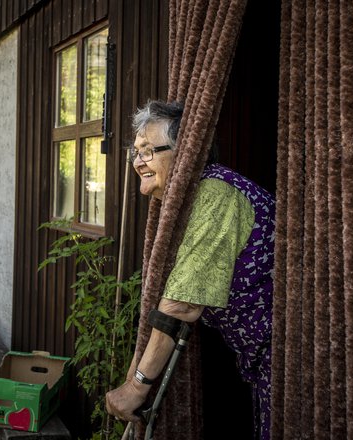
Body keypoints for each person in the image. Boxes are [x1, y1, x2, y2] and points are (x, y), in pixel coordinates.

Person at [105, 100, 275, 440]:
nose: (138, 162)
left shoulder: (215, 193)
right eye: (135, 153)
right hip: (259, 360)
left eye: (149, 151)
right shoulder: (192, 198)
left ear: (185, 153)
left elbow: (183, 303)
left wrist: (137, 387)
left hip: (281, 353)